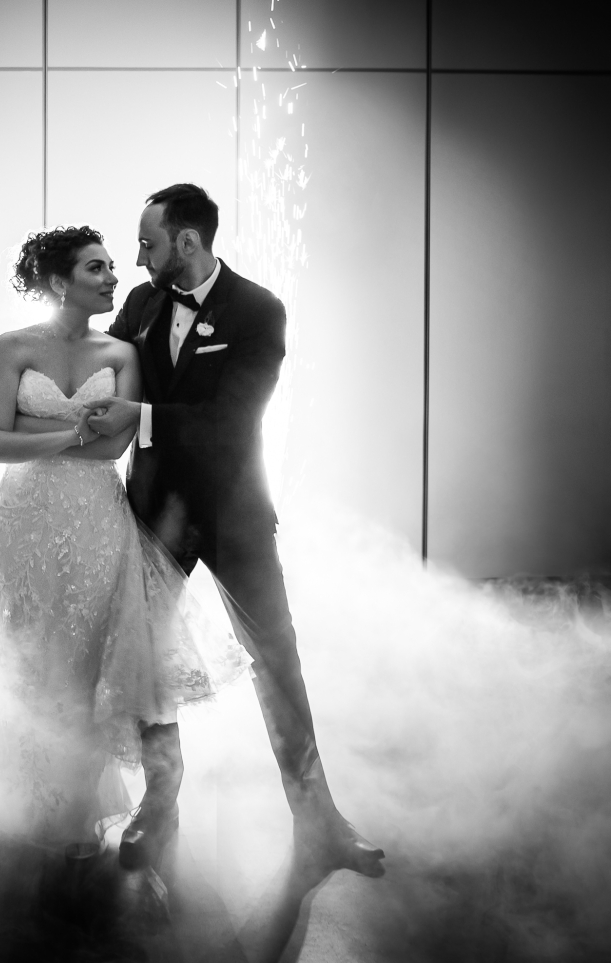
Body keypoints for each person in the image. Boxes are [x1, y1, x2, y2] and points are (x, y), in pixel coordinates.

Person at [83, 183, 386, 877]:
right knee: (144, 661)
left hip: (234, 515)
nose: (137, 257)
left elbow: (231, 417)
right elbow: (102, 372)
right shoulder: (140, 302)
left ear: (187, 242)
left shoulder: (259, 310)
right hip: (154, 510)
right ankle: (158, 810)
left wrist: (141, 415)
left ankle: (321, 824)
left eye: (148, 243)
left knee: (277, 659)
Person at [0, 225, 246, 850]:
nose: (114, 277)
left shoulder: (119, 353)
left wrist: (34, 428)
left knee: (87, 659)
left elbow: (118, 442)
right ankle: (24, 798)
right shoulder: (10, 346)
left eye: (113, 267)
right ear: (56, 282)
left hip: (98, 517)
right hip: (24, 519)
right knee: (28, 651)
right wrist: (74, 436)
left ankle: (75, 809)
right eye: (97, 269)